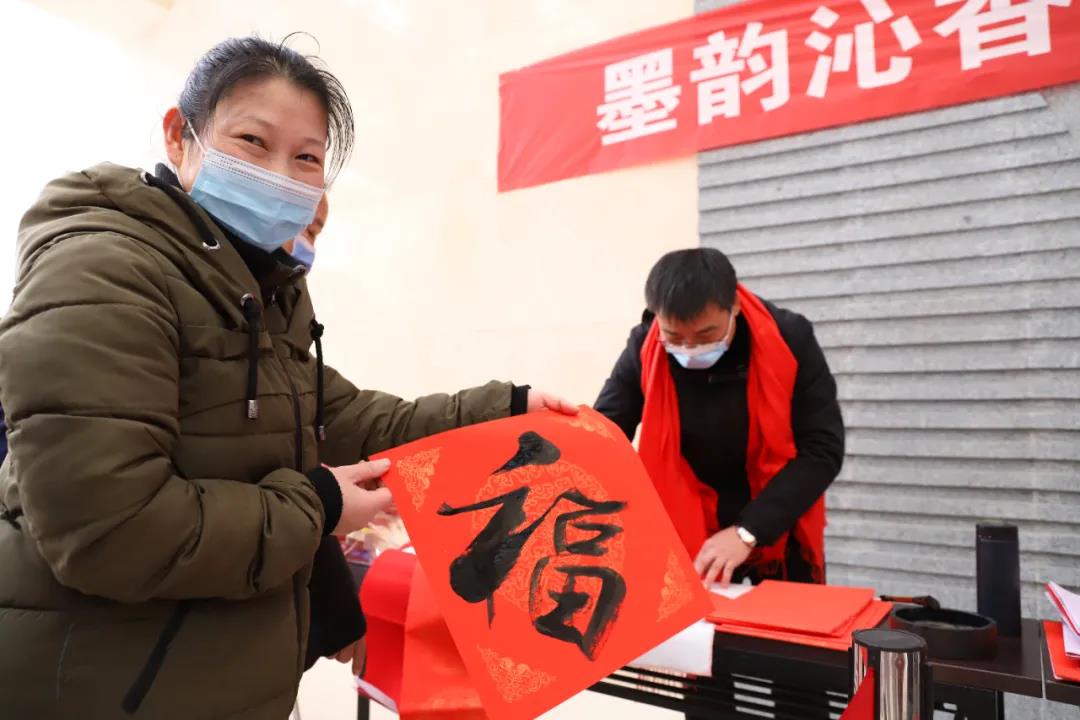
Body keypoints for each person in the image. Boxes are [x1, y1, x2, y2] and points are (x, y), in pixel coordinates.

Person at [0, 36, 574, 720]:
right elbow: (108, 532)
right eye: (252, 140)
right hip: (109, 685)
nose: (281, 175)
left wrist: (506, 406)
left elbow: (349, 417)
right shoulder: (104, 270)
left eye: (306, 158)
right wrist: (322, 506)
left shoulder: (261, 289)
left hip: (217, 676)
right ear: (180, 137)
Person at [595, 248, 844, 588]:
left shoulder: (788, 338)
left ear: (735, 307)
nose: (689, 348)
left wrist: (747, 532)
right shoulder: (645, 347)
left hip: (775, 535)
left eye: (706, 335)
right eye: (675, 336)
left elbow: (822, 449)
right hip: (685, 533)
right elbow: (604, 434)